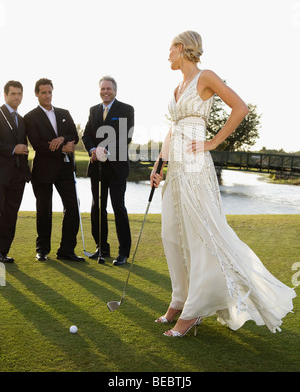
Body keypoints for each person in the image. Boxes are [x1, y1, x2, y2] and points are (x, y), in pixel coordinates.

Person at [151, 30, 296, 337]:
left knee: (200, 233)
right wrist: (159, 165)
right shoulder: (177, 87)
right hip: (175, 168)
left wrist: (213, 142)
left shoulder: (206, 76)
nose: (167, 55)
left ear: (180, 48)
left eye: (170, 49)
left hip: (195, 167)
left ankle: (192, 312)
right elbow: (172, 129)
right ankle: (180, 298)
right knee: (171, 235)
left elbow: (240, 107)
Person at [24, 78, 84, 262]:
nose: (47, 95)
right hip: (43, 170)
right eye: (43, 92)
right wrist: (62, 148)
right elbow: (38, 144)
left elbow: (74, 135)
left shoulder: (64, 113)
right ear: (36, 94)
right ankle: (42, 249)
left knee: (73, 207)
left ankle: (66, 250)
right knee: (44, 209)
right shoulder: (30, 117)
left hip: (66, 169)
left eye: (50, 92)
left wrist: (61, 139)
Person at [82, 76, 134, 266]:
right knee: (97, 207)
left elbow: (125, 136)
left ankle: (124, 252)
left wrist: (106, 151)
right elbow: (86, 135)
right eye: (102, 89)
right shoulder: (93, 110)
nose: (105, 91)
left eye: (109, 89)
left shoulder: (127, 109)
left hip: (117, 167)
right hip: (97, 168)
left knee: (118, 207)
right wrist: (93, 150)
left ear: (115, 91)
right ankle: (102, 247)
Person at [0, 81, 31, 263]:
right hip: (1, 174)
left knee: (11, 214)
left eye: (19, 94)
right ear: (5, 95)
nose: (16, 97)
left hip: (18, 176)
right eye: (13, 94)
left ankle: (3, 252)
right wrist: (13, 149)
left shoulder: (22, 119)